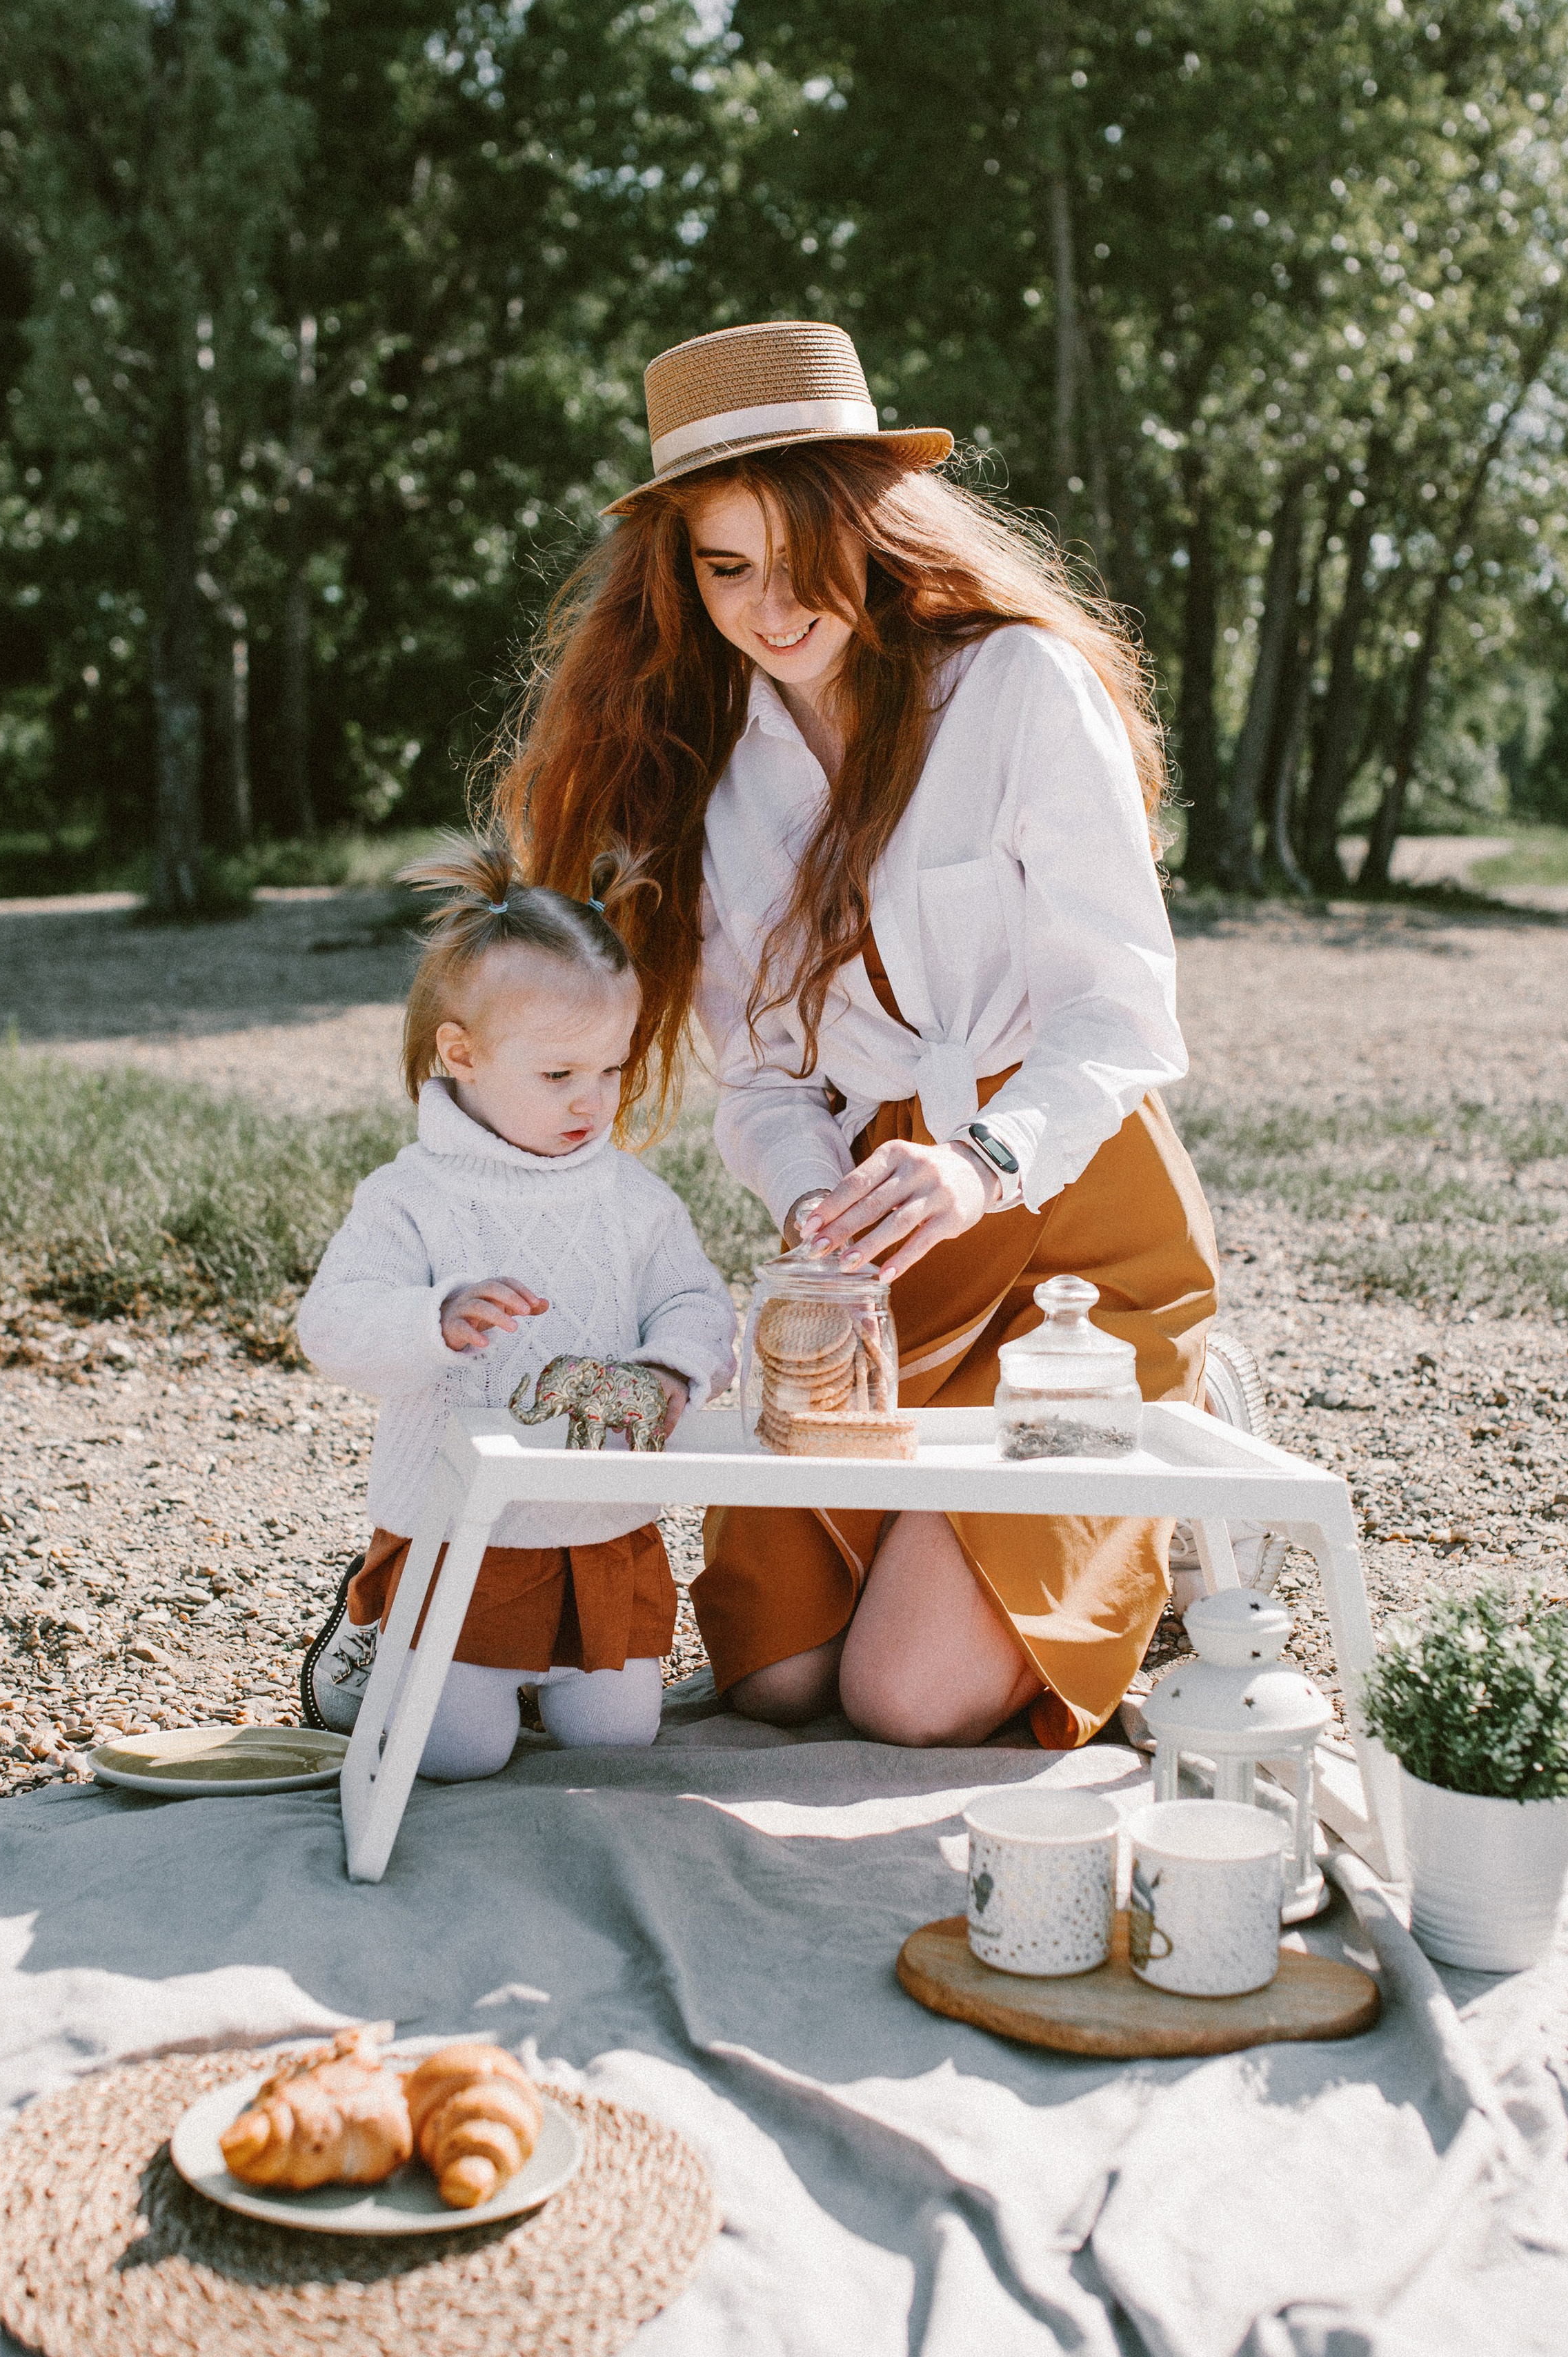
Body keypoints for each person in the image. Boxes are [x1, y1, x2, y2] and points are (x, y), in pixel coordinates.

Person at [493, 318, 1219, 1752]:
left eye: (797, 555)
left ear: (868, 522)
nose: (770, 607)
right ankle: (1003, 1549)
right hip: (877, 1248)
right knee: (773, 1676)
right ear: (681, 571)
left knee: (900, 1695)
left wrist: (979, 1160)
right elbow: (760, 1080)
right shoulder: (718, 778)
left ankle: (1164, 1477)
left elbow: (1121, 1010)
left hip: (1070, 1219)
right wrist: (808, 1191)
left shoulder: (1014, 688)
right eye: (725, 567)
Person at [295, 839, 737, 1778]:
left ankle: (546, 1672)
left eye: (612, 1070)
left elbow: (697, 1300)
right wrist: (433, 1318)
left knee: (616, 1738)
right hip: (463, 1532)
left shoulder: (631, 1198)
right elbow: (329, 1322)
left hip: (599, 1526)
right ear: (461, 1052)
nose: (595, 1101)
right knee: (462, 1753)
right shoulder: (415, 1195)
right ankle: (374, 1642)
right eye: (558, 1076)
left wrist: (668, 1368)